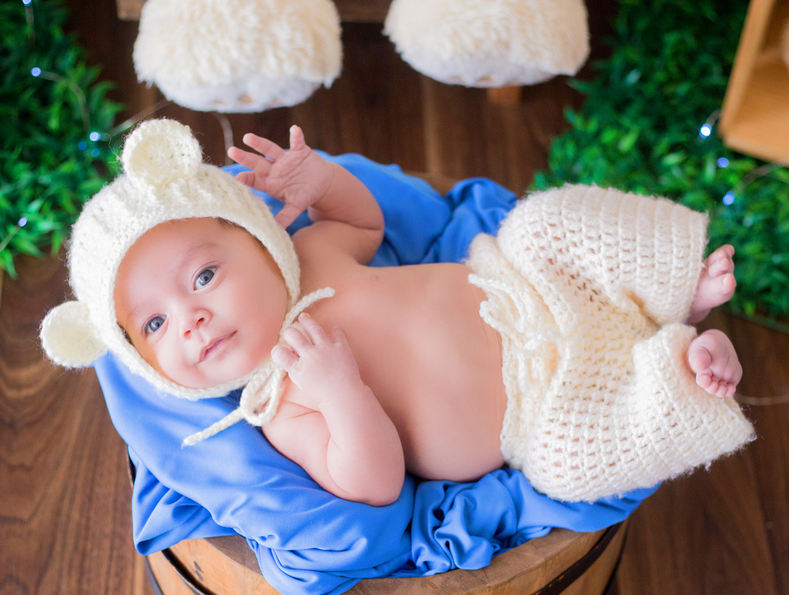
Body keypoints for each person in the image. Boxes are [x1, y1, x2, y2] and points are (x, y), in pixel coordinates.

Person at [41, 119, 753, 506]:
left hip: (526, 290)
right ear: (148, 363)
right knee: (573, 467)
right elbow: (374, 483)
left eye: (202, 274)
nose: (190, 317)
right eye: (156, 326)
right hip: (537, 409)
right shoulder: (280, 403)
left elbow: (367, 225)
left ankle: (666, 289)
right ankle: (678, 367)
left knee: (540, 225)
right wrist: (339, 393)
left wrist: (322, 181)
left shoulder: (314, 255)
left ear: (261, 244)